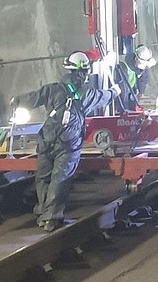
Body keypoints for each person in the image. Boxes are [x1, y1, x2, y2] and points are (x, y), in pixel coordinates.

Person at [11, 53, 113, 232]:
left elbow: (32, 98)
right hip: (68, 142)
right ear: (82, 72)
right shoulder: (87, 93)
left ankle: (43, 210)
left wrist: (17, 101)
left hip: (47, 139)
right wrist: (115, 91)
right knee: (60, 178)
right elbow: (105, 97)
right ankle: (51, 217)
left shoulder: (52, 89)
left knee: (43, 177)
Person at [113, 45, 156, 113]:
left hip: (130, 93)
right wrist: (124, 110)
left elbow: (143, 78)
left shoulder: (142, 65)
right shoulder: (122, 65)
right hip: (119, 95)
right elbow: (123, 89)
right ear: (136, 59)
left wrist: (141, 93)